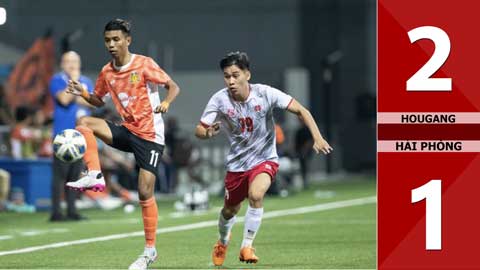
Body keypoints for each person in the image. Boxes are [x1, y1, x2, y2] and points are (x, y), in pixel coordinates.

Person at [195, 51, 332, 266]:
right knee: (229, 210)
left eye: (235, 75)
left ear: (247, 75)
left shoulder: (265, 93)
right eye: (227, 76)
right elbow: (199, 130)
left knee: (256, 194)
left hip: (265, 159)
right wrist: (208, 133)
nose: (231, 81)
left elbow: (301, 110)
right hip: (237, 165)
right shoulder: (219, 100)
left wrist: (318, 137)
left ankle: (246, 246)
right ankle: (222, 241)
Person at [64, 19, 180, 270]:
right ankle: (94, 173)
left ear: (128, 40)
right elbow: (98, 100)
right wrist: (83, 93)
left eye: (116, 39)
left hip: (150, 136)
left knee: (144, 191)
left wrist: (168, 102)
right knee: (84, 121)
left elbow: (172, 86)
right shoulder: (107, 72)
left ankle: (150, 251)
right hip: (127, 130)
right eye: (107, 40)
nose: (111, 44)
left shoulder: (144, 64)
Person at [49, 51, 93, 222]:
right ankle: (56, 212)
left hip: (80, 134)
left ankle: (72, 210)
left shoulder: (87, 81)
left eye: (74, 61)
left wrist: (75, 94)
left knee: (75, 175)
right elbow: (64, 100)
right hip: (62, 135)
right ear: (62, 64)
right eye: (68, 61)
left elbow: (91, 102)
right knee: (59, 175)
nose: (71, 65)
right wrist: (75, 84)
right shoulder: (57, 79)